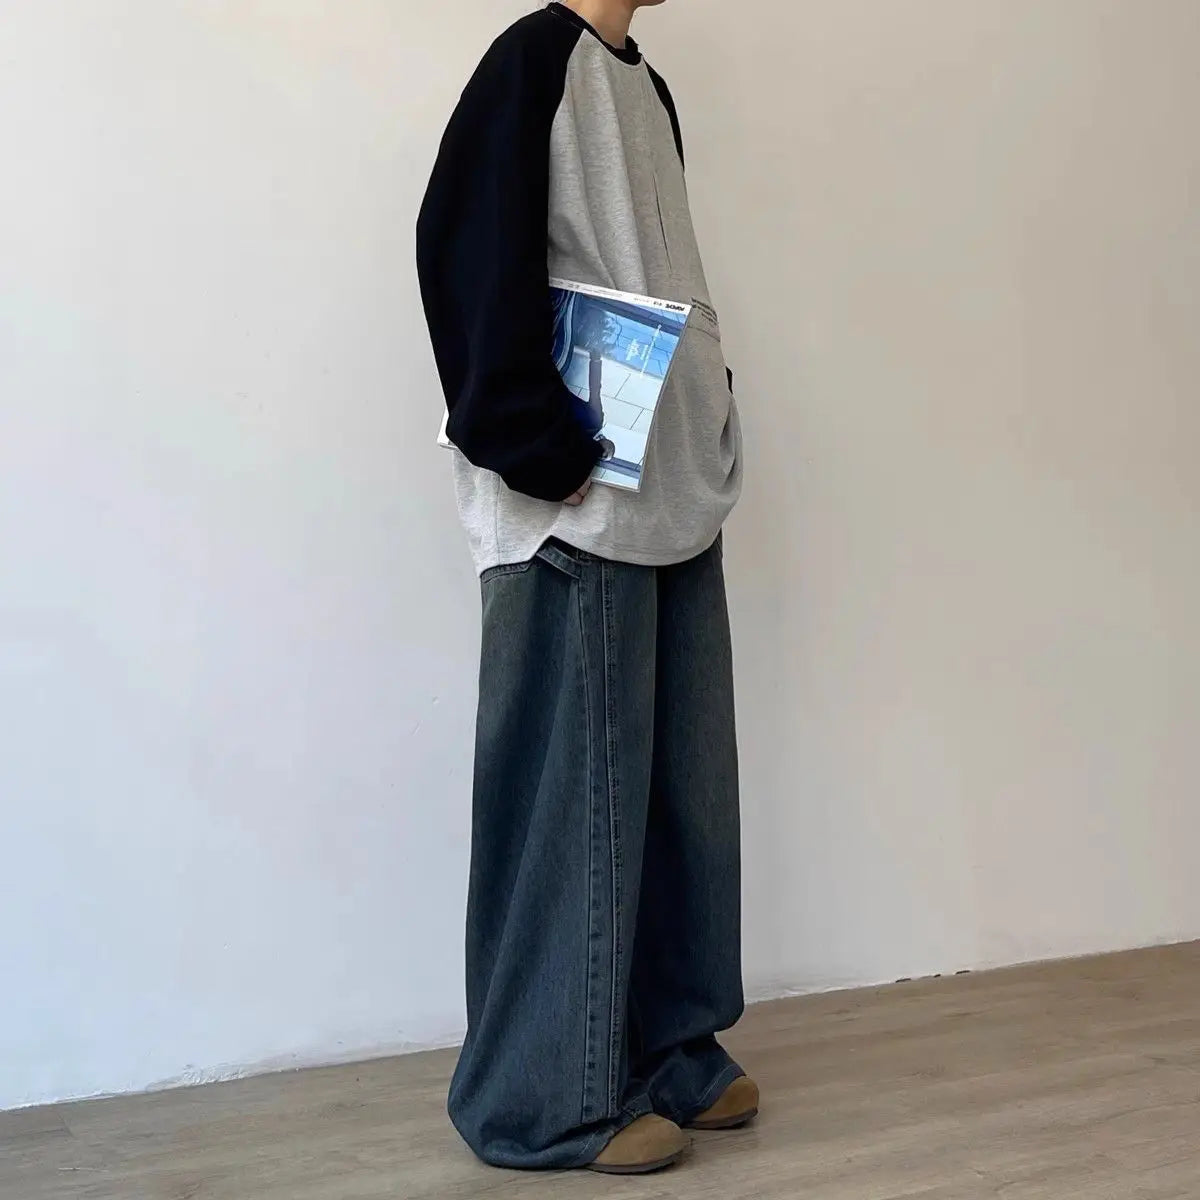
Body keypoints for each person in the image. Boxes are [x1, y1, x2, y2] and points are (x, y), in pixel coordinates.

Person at [417, 0, 754, 1176]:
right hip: (576, 508)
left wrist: (714, 415)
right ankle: (540, 1098)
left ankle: (668, 1049)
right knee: (571, 811)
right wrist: (536, 442)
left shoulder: (643, 88)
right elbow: (464, 254)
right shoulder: (530, 64)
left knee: (679, 803)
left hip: (668, 496)